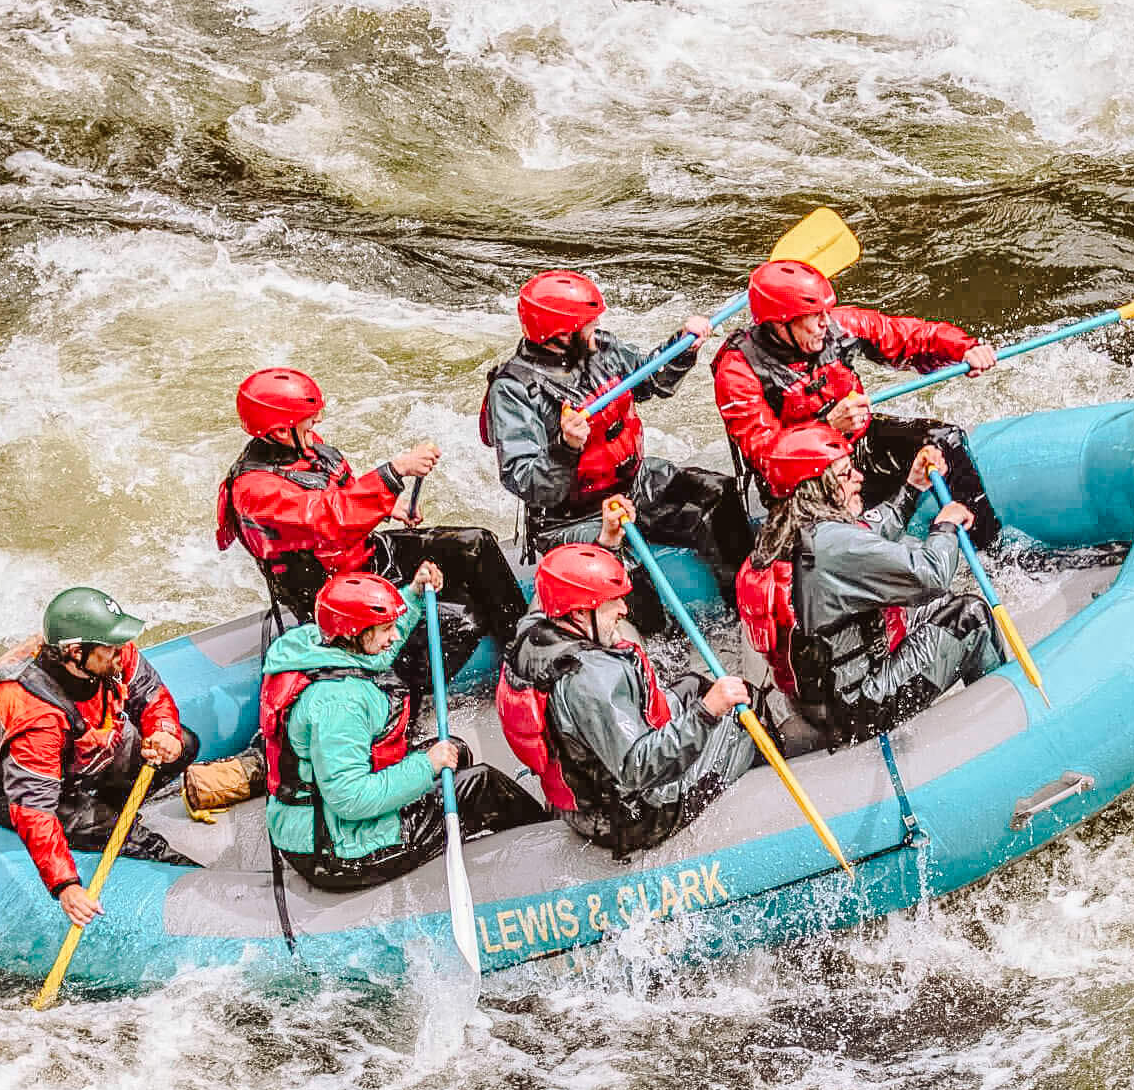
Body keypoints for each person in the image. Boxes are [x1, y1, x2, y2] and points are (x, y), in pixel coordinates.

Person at [217, 365, 527, 696]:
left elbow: (340, 492)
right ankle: (399, 706)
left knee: (475, 544)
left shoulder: (304, 446)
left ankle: (525, 654)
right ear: (280, 432)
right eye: (308, 419)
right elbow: (330, 520)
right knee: (462, 620)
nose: (317, 422)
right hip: (332, 591)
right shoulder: (255, 490)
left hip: (365, 554)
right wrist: (395, 472)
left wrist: (385, 508)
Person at [263, 567, 548, 892]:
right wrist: (426, 765)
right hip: (337, 850)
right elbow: (351, 799)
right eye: (385, 629)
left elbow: (375, 651)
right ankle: (552, 846)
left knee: (455, 749)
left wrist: (412, 594)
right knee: (482, 784)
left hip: (321, 821)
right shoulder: (339, 704)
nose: (395, 636)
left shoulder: (315, 645)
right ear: (354, 633)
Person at [482, 269, 751, 609]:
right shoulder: (513, 391)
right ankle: (660, 653)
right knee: (620, 567)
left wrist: (682, 346)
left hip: (634, 484)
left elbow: (652, 380)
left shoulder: (601, 349)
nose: (597, 331)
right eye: (589, 325)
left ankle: (746, 608)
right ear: (561, 334)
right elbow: (527, 482)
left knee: (715, 495)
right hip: (571, 516)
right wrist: (566, 448)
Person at [497, 522, 758, 856]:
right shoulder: (590, 678)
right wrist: (707, 714)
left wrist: (605, 544)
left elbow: (551, 589)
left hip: (588, 791)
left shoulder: (532, 630)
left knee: (693, 684)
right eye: (611, 603)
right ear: (579, 612)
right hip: (635, 816)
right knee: (744, 714)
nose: (623, 610)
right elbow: (638, 768)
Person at [734, 424, 998, 748]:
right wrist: (945, 527)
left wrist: (911, 489)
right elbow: (930, 575)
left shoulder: (779, 536)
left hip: (817, 700)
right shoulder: (830, 546)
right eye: (846, 474)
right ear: (818, 487)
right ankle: (1000, 723)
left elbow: (864, 535)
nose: (859, 477)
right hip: (859, 708)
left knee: (938, 605)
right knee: (971, 617)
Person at [711, 259, 1005, 548]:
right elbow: (767, 459)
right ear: (779, 323)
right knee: (846, 535)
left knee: (945, 439)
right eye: (814, 316)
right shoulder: (738, 371)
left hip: (858, 443)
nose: (825, 323)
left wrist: (966, 348)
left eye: (825, 311)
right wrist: (826, 428)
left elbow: (908, 335)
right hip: (803, 480)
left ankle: (991, 548)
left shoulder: (837, 326)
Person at [0, 587, 200, 926]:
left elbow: (150, 693)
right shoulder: (35, 714)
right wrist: (65, 885)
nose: (124, 651)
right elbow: (34, 809)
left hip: (81, 758)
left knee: (184, 745)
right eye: (113, 647)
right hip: (12, 790)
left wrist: (163, 731)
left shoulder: (106, 652)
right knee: (128, 834)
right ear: (75, 652)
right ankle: (125, 834)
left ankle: (107, 802)